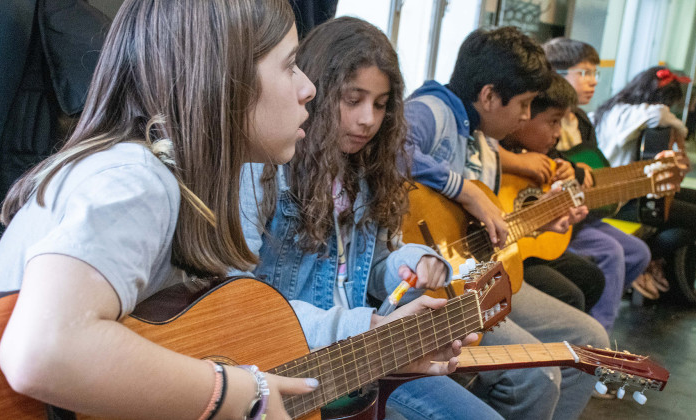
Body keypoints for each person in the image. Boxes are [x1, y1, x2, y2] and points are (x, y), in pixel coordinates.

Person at [0, 1, 324, 418]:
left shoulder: (154, 179)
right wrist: (237, 393)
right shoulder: (136, 179)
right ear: (222, 79)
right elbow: (42, 350)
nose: (308, 88)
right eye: (290, 66)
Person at [244, 17, 501, 420]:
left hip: (364, 351)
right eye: (353, 99)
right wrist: (368, 325)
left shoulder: (366, 172)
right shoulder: (268, 168)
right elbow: (245, 298)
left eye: (380, 105)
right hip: (302, 361)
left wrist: (415, 264)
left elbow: (377, 265)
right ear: (317, 91)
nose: (368, 119)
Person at [404, 26, 609, 420]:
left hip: (478, 277)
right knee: (541, 376)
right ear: (488, 96)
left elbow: (483, 229)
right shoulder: (430, 110)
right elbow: (390, 149)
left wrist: (539, 222)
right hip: (428, 289)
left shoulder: (485, 142)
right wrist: (464, 188)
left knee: (590, 344)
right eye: (525, 104)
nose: (526, 116)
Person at [504, 73, 647, 332]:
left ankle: (587, 343)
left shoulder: (554, 148)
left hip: (530, 241)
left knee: (593, 276)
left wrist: (574, 176)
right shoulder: (501, 148)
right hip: (507, 253)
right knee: (577, 287)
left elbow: (571, 169)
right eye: (553, 123)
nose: (557, 133)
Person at [542, 38, 652, 328]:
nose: (592, 82)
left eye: (595, 73)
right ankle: (599, 338)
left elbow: (593, 170)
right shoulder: (539, 116)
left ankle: (592, 315)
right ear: (556, 73)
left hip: (585, 213)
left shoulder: (580, 119)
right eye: (584, 73)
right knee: (611, 252)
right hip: (558, 218)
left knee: (639, 252)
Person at [591, 66, 696, 290]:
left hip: (628, 191)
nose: (668, 107)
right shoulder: (641, 113)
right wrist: (680, 134)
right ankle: (648, 258)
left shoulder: (614, 108)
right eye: (667, 101)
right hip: (618, 199)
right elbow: (664, 117)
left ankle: (652, 256)